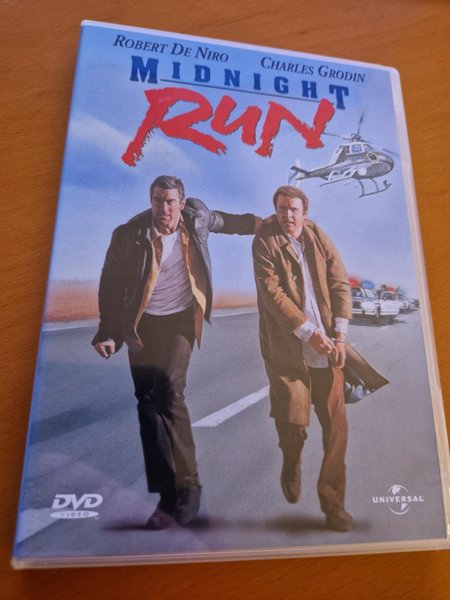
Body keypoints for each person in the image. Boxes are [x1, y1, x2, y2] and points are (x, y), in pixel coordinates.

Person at [92, 175, 259, 530]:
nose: (164, 209)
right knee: (147, 403)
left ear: (182, 203)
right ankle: (167, 496)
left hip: (180, 320)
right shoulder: (129, 235)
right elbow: (111, 287)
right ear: (150, 201)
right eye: (157, 201)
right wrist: (108, 333)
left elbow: (229, 222)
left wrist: (266, 225)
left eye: (170, 202)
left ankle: (188, 485)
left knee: (169, 391)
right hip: (142, 323)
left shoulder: (197, 218)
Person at [252, 185, 386, 532]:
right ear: (275, 210)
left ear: (305, 212)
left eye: (293, 209)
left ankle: (334, 505)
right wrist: (308, 331)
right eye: (282, 209)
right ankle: (291, 461)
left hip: (329, 349)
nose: (287, 215)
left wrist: (339, 334)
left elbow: (340, 282)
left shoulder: (318, 237)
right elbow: (272, 293)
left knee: (336, 429)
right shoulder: (265, 240)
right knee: (293, 425)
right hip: (288, 349)